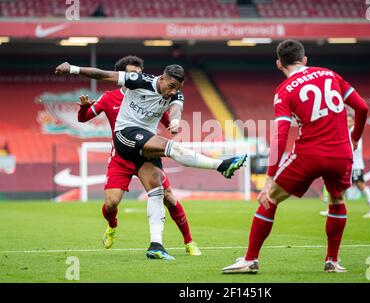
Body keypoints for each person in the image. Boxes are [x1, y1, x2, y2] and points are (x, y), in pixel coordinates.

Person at [55, 61, 247, 260]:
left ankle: (156, 245)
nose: (173, 91)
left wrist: (175, 121)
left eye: (177, 88)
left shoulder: (175, 94)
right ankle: (221, 165)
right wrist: (72, 69)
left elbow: (176, 108)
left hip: (144, 146)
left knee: (157, 191)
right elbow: (102, 74)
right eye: (171, 86)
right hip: (125, 137)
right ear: (162, 79)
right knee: (115, 200)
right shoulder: (137, 82)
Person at [222, 39, 368, 274]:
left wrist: (269, 177)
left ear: (279, 64)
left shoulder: (284, 91)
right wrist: (356, 138)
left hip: (309, 153)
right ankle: (332, 261)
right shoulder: (330, 74)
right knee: (337, 200)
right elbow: (362, 107)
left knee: (269, 198)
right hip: (341, 153)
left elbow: (281, 135)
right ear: (305, 59)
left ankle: (250, 260)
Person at [77, 55, 201, 258]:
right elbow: (84, 118)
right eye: (130, 73)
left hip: (145, 154)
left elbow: (167, 117)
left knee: (169, 198)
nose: (135, 76)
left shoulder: (153, 95)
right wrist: (83, 107)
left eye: (138, 73)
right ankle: (112, 225)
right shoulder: (109, 97)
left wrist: (173, 124)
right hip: (121, 155)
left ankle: (189, 242)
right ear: (122, 75)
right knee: (111, 204)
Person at [320, 113, 370, 219]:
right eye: (346, 121)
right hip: (347, 165)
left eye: (349, 121)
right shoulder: (345, 132)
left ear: (353, 122)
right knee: (339, 187)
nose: (347, 123)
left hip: (355, 165)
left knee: (360, 185)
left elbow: (354, 147)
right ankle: (331, 209)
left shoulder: (355, 132)